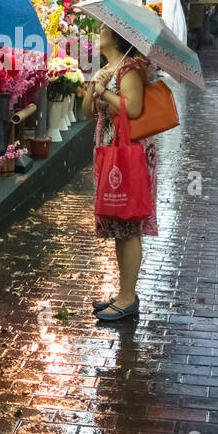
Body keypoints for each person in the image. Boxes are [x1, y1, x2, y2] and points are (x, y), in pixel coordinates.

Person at [82, 25, 154, 323]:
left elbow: (133, 109)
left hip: (129, 154)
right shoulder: (108, 68)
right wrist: (92, 88)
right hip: (108, 153)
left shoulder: (130, 69)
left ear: (115, 36)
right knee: (116, 224)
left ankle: (128, 298)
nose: (98, 33)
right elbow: (88, 112)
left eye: (102, 30)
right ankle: (124, 292)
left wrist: (105, 92)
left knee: (129, 224)